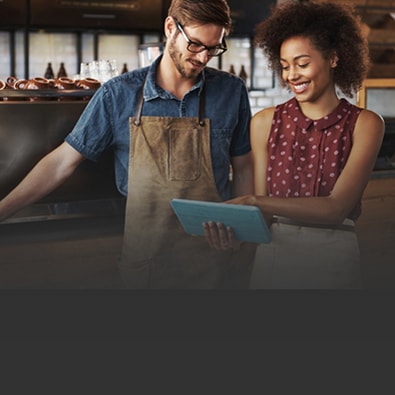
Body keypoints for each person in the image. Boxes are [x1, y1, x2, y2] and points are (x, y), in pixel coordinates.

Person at [0, 0, 256, 289]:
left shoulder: (231, 92)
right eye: (196, 45)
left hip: (214, 263)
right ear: (170, 28)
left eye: (214, 48)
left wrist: (244, 240)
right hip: (146, 266)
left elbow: (244, 167)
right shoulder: (118, 94)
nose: (204, 58)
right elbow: (61, 163)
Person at [204, 0, 385, 289]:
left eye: (302, 64)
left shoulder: (366, 124)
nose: (291, 75)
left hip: (335, 257)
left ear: (334, 58)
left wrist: (253, 201)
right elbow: (261, 216)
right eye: (285, 66)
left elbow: (336, 208)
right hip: (273, 254)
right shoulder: (264, 123)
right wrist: (234, 240)